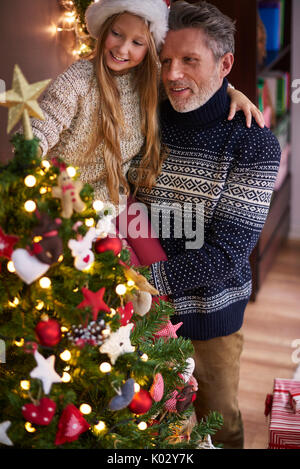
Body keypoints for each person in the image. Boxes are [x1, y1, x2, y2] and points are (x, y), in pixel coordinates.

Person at [127, 0, 281, 449]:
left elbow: (228, 255)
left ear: (225, 62)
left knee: (217, 424)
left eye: (190, 60)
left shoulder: (253, 144)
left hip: (206, 319)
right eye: (166, 60)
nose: (173, 73)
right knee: (149, 426)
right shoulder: (146, 115)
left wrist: (139, 283)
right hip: (137, 314)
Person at [30, 0, 263, 224]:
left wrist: (234, 92)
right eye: (116, 33)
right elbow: (43, 125)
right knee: (120, 263)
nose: (122, 48)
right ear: (104, 30)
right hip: (69, 206)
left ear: (150, 47)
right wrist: (30, 153)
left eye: (137, 43)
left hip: (116, 203)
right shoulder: (77, 80)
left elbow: (199, 83)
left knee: (153, 258)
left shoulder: (152, 79)